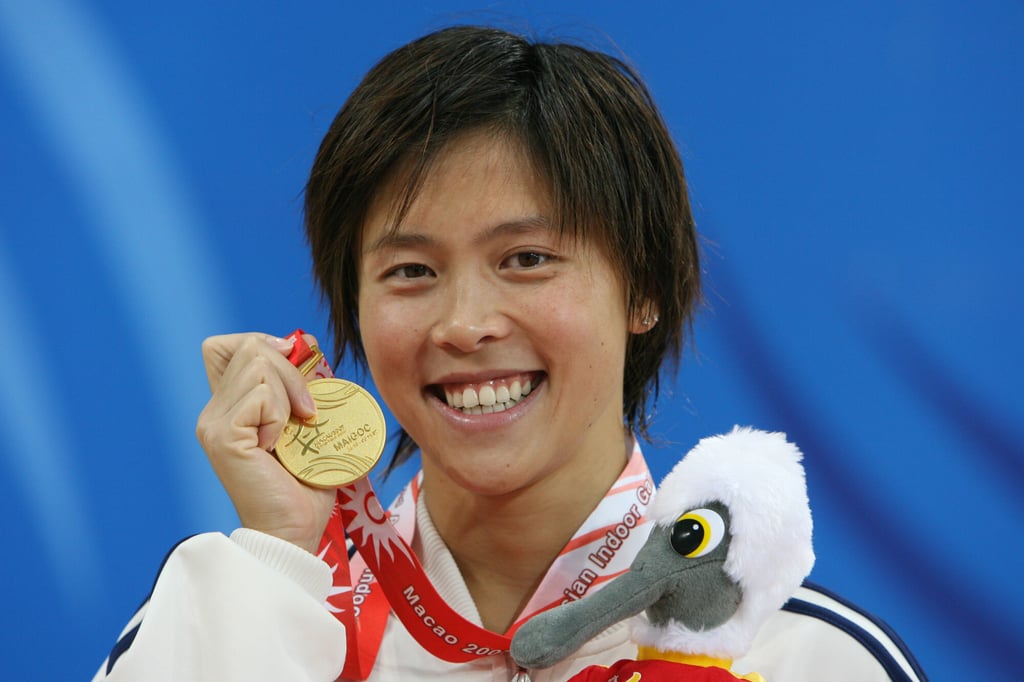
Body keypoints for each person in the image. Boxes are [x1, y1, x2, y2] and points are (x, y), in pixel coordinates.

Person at [94, 25, 926, 681]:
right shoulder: (233, 620)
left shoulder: (808, 661)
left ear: (644, 290)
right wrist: (277, 556)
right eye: (410, 271)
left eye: (526, 259)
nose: (464, 323)